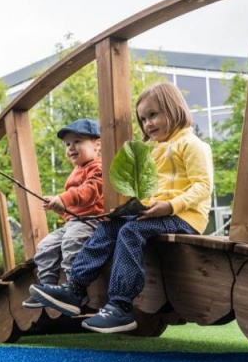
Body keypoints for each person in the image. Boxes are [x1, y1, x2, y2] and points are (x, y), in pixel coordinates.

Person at [30, 82, 212, 333]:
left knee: (130, 232)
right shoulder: (153, 150)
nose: (148, 123)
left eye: (153, 114)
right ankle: (75, 289)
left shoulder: (192, 145)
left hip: (185, 216)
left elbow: (202, 187)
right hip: (155, 211)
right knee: (109, 226)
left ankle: (121, 305)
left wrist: (170, 206)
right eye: (143, 119)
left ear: (174, 109)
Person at [23, 118, 103, 309]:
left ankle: (74, 289)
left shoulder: (99, 167)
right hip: (74, 223)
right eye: (67, 144)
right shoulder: (77, 170)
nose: (71, 147)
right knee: (45, 246)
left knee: (72, 243)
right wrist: (60, 205)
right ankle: (48, 287)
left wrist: (64, 199)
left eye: (77, 141)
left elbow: (91, 191)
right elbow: (74, 205)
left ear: (97, 145)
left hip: (92, 222)